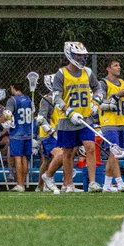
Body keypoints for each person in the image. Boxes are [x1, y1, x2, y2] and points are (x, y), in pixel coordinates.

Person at [41, 42, 97, 193]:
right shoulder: (61, 74)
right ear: (70, 55)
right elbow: (57, 98)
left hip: (85, 118)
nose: (81, 58)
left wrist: (96, 102)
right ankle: (68, 184)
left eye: (82, 56)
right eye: (78, 55)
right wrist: (69, 111)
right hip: (67, 120)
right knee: (68, 152)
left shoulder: (88, 72)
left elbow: (97, 88)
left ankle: (92, 183)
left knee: (90, 148)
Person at [96, 58, 124, 193]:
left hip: (122, 122)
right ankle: (119, 182)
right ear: (108, 68)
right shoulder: (103, 84)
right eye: (115, 65)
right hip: (109, 122)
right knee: (114, 152)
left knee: (114, 155)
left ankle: (106, 186)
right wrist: (116, 96)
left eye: (119, 65)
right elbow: (100, 103)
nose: (119, 68)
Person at [4, 82, 35, 192]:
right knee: (25, 158)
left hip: (17, 133)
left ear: (13, 87)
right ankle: (22, 183)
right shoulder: (28, 99)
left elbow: (7, 115)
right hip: (27, 132)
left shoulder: (12, 100)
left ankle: (20, 184)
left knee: (17, 158)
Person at [35, 77, 63, 192]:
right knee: (60, 156)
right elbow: (41, 118)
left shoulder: (60, 99)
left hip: (58, 132)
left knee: (47, 161)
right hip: (47, 134)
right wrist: (50, 130)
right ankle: (47, 180)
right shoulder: (47, 99)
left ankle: (40, 186)